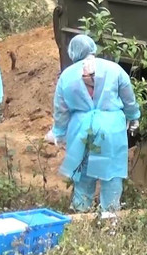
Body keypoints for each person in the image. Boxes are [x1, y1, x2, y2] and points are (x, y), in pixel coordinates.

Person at [49, 34, 140, 212]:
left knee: (83, 175)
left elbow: (61, 109)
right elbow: (129, 99)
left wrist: (58, 133)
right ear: (92, 48)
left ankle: (81, 216)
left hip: (81, 130)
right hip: (111, 128)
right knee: (112, 174)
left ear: (73, 52)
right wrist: (133, 116)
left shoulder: (66, 76)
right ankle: (110, 218)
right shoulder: (114, 69)